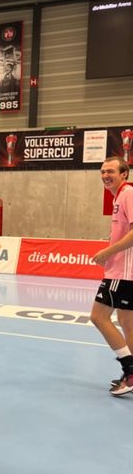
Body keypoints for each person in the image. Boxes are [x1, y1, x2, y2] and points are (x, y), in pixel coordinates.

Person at [91, 156, 133, 396]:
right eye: (102, 172)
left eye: (111, 171)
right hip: (124, 272)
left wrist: (107, 252)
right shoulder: (119, 197)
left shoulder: (128, 194)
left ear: (124, 174)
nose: (105, 176)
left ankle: (130, 370)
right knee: (128, 323)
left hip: (123, 272)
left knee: (98, 317)